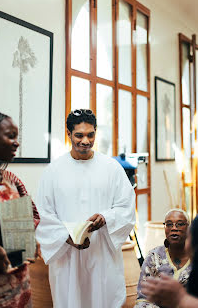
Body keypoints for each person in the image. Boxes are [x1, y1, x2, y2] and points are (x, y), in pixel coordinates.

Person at [35, 108, 136, 308]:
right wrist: (67, 236)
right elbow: (43, 214)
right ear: (69, 134)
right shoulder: (53, 171)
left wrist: (106, 217)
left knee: (103, 299)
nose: (85, 141)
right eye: (79, 135)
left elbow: (126, 206)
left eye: (90, 135)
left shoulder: (111, 168)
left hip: (102, 253)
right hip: (66, 257)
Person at [0, 110, 40, 307]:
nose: (17, 142)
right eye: (10, 136)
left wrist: (29, 240)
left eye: (17, 136)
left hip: (19, 289)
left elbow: (32, 215)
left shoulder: (11, 181)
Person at [134, 208, 191, 308]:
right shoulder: (153, 257)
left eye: (180, 224)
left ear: (188, 228)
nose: (174, 228)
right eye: (169, 224)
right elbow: (143, 298)